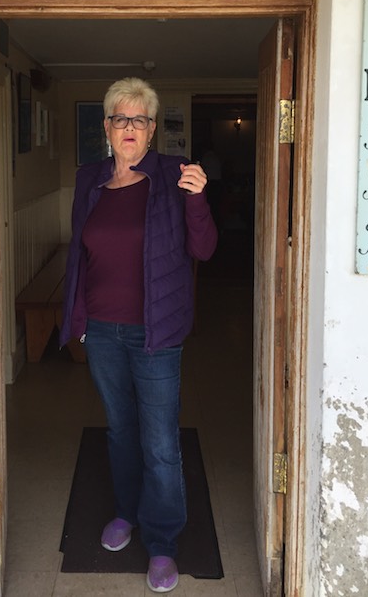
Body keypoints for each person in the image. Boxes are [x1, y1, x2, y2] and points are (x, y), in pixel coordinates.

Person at [60, 77, 217, 593]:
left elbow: (205, 249)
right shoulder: (89, 179)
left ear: (152, 130)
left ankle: (164, 540)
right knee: (120, 430)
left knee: (160, 442)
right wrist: (78, 318)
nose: (130, 128)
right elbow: (80, 256)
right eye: (120, 118)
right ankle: (126, 511)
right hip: (102, 331)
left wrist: (197, 200)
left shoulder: (175, 175)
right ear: (106, 127)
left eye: (140, 119)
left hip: (157, 331)